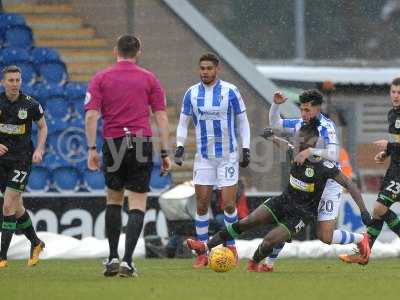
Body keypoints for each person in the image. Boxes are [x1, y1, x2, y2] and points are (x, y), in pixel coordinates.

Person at [187, 118, 372, 272]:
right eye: (297, 141)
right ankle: (204, 247)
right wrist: (272, 137)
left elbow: (349, 184)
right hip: (283, 201)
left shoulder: (325, 166)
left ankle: (254, 263)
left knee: (270, 240)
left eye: (302, 143)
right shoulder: (295, 153)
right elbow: (286, 145)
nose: (297, 145)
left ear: (313, 144)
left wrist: (363, 210)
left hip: (301, 214)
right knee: (247, 222)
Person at [85, 35, 171, 277]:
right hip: (140, 142)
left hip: (113, 143)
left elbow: (91, 116)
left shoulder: (101, 77)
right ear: (138, 52)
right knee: (138, 203)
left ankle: (112, 257)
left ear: (116, 51)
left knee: (113, 200)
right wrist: (165, 151)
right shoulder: (149, 78)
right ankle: (128, 262)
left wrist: (92, 149)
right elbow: (161, 117)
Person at [265, 89, 368, 271]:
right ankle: (269, 263)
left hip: (328, 183)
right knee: (289, 220)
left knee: (325, 236)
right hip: (307, 184)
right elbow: (276, 124)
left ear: (317, 109)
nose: (303, 114)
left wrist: (310, 151)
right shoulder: (300, 123)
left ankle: (361, 239)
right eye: (302, 110)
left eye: (307, 110)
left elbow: (334, 153)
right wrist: (275, 105)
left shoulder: (327, 127)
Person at [174, 53, 251, 268]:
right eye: (202, 68)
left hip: (228, 157)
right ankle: (202, 251)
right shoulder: (192, 93)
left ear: (217, 69)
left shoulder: (230, 91)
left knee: (228, 204)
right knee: (201, 205)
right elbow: (183, 122)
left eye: (209, 68)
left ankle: (232, 247)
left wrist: (246, 148)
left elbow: (243, 121)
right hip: (204, 159)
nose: (205, 72)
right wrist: (179, 146)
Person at [339, 77, 400, 264]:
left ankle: (364, 252)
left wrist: (388, 145)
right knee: (379, 212)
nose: (396, 96)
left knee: (379, 208)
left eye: (399, 93)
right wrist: (386, 152)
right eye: (393, 92)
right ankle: (364, 253)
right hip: (395, 167)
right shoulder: (392, 114)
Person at [0, 65, 47, 268]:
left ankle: (2, 257)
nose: (15, 84)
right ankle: (36, 243)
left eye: (18, 80)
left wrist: (39, 149)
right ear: (3, 82)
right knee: (17, 207)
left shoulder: (30, 104)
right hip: (1, 161)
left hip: (21, 160)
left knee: (8, 204)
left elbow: (43, 127)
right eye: (11, 80)